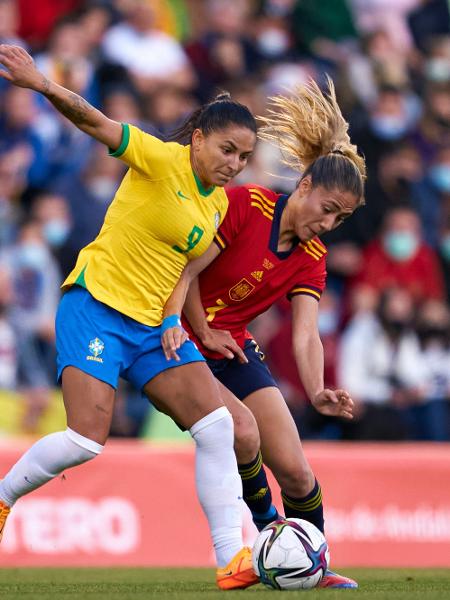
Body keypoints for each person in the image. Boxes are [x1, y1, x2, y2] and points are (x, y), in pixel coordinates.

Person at [0, 43, 259, 590]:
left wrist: (174, 320)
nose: (233, 165)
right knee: (85, 441)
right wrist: (43, 84)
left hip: (150, 328)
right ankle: (3, 496)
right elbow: (95, 121)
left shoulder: (215, 202)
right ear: (198, 139)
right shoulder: (159, 159)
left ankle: (231, 560)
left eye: (243, 157)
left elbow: (180, 269)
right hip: (95, 307)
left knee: (217, 428)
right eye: (227, 150)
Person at [161, 78, 366, 589]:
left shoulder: (313, 259)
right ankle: (270, 536)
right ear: (303, 187)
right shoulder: (246, 205)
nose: (329, 223)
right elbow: (185, 272)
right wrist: (203, 329)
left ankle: (313, 565)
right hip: (178, 337)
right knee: (243, 430)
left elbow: (306, 336)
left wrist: (317, 389)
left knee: (297, 471)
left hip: (229, 345)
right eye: (327, 208)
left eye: (340, 218)